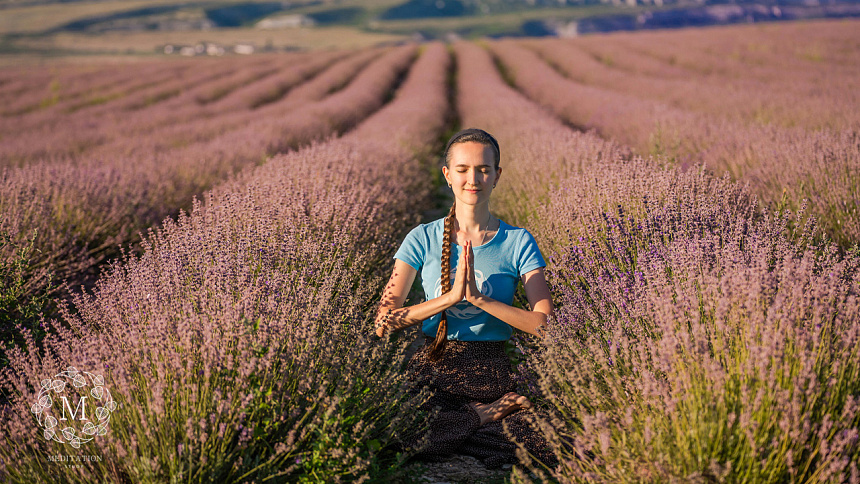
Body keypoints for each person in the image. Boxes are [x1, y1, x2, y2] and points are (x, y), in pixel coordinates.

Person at [374, 128, 558, 470]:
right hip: (434, 367)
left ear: (497, 175)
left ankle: (464, 425)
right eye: (462, 169)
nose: (473, 178)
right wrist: (448, 299)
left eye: (483, 169)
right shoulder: (421, 238)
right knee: (393, 429)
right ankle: (479, 419)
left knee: (548, 440)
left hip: (491, 372)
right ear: (447, 175)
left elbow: (545, 326)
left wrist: (479, 299)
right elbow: (384, 322)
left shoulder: (518, 241)